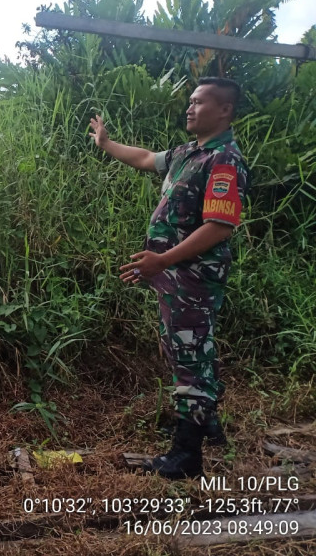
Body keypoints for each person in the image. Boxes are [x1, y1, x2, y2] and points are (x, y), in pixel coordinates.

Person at [89, 77, 249, 479]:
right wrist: (107, 143)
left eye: (199, 102)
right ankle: (204, 423)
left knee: (190, 357)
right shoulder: (188, 153)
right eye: (190, 102)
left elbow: (218, 226)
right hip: (176, 278)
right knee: (186, 350)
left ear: (225, 110)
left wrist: (164, 260)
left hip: (193, 278)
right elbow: (145, 158)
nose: (190, 108)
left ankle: (186, 456)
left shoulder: (223, 159)